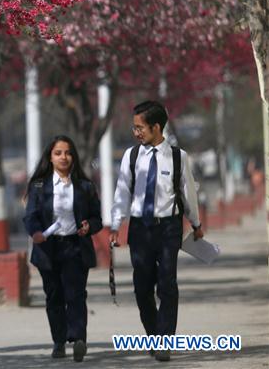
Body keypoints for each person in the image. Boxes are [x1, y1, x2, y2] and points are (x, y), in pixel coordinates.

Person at [109, 101, 203, 362]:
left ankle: (164, 340)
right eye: (134, 127)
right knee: (142, 288)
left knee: (167, 284)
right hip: (139, 228)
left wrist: (196, 224)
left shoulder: (177, 157)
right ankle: (153, 335)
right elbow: (122, 191)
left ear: (156, 127)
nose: (136, 132)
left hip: (168, 228)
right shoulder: (131, 156)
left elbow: (188, 194)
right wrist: (116, 224)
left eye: (140, 128)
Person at [24, 135, 102, 362]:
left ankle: (78, 339)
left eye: (67, 153)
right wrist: (35, 233)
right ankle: (59, 342)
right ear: (50, 157)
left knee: (76, 294)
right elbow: (30, 216)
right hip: (48, 248)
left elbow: (96, 218)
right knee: (54, 296)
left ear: (73, 157)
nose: (63, 157)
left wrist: (89, 226)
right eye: (58, 153)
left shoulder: (85, 186)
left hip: (75, 247)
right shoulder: (39, 186)